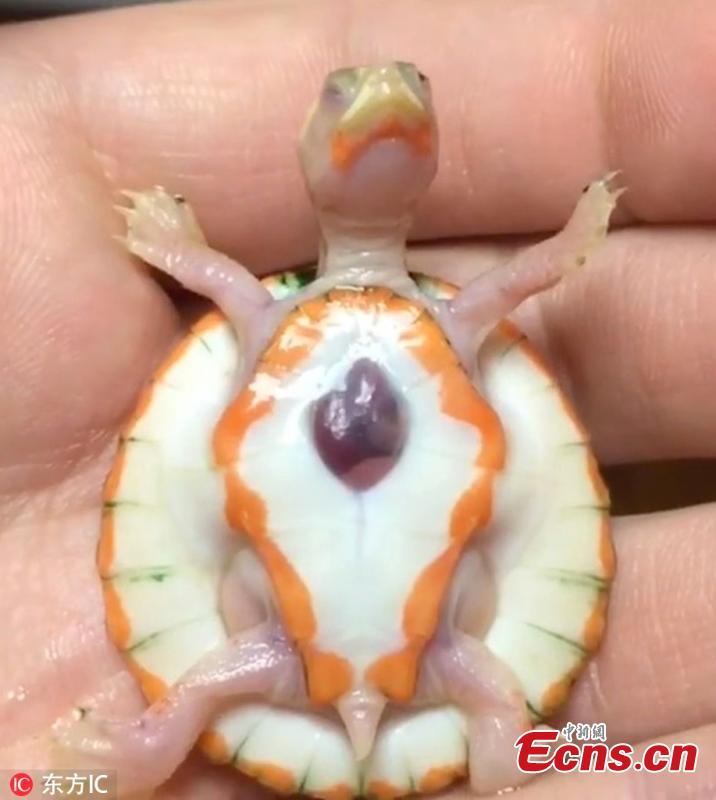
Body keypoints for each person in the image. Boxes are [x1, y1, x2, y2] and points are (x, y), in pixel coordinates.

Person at [0, 1, 713, 798]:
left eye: (415, 87)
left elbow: (527, 275)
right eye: (344, 95)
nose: (382, 96)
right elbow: (521, 279)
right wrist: (171, 247)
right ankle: (110, 771)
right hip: (356, 654)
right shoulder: (440, 322)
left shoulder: (285, 317)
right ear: (309, 149)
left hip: (368, 653)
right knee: (210, 688)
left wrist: (583, 229)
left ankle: (526, 759)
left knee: (202, 686)